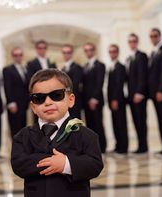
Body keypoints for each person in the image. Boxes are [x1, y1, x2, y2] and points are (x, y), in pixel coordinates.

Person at [11, 69, 103, 197]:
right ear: (33, 107)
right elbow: (18, 164)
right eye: (39, 98)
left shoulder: (87, 135)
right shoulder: (23, 136)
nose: (48, 102)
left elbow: (95, 165)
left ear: (70, 100)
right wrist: (52, 161)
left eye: (56, 95)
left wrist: (66, 164)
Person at [148, 28, 162, 155]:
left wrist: (161, 90)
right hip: (155, 94)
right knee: (161, 120)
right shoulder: (153, 53)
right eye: (151, 36)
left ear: (160, 36)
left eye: (155, 36)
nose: (153, 38)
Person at [126, 33, 149, 154]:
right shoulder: (128, 58)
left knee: (141, 121)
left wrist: (139, 93)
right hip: (131, 97)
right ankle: (140, 146)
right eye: (130, 41)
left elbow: (143, 75)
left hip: (139, 96)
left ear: (137, 42)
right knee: (136, 121)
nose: (132, 43)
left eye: (134, 41)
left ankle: (144, 146)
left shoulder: (142, 56)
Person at [82, 42, 106, 153]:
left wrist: (94, 99)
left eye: (90, 49)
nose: (88, 52)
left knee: (98, 124)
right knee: (90, 125)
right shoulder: (85, 66)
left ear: (94, 50)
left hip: (96, 101)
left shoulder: (100, 65)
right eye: (86, 50)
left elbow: (99, 83)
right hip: (86, 101)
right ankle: (93, 147)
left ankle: (102, 147)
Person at [3, 47, 29, 137]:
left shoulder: (25, 69)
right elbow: (7, 87)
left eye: (20, 55)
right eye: (15, 55)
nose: (18, 57)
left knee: (23, 128)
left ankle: (22, 150)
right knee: (15, 130)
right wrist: (11, 103)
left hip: (23, 104)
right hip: (14, 105)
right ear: (12, 56)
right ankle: (16, 150)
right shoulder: (8, 69)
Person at [107, 44, 128, 154]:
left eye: (114, 51)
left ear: (117, 52)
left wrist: (115, 99)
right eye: (110, 52)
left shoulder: (120, 66)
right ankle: (118, 145)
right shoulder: (111, 66)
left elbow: (119, 85)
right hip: (112, 100)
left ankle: (123, 148)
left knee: (121, 124)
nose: (112, 54)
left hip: (118, 100)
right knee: (115, 123)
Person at [61, 44, 83, 119]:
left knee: (75, 124)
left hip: (74, 101)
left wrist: (63, 90)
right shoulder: (62, 69)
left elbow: (74, 84)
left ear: (72, 53)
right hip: (64, 101)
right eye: (64, 52)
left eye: (68, 52)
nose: (66, 54)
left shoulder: (77, 67)